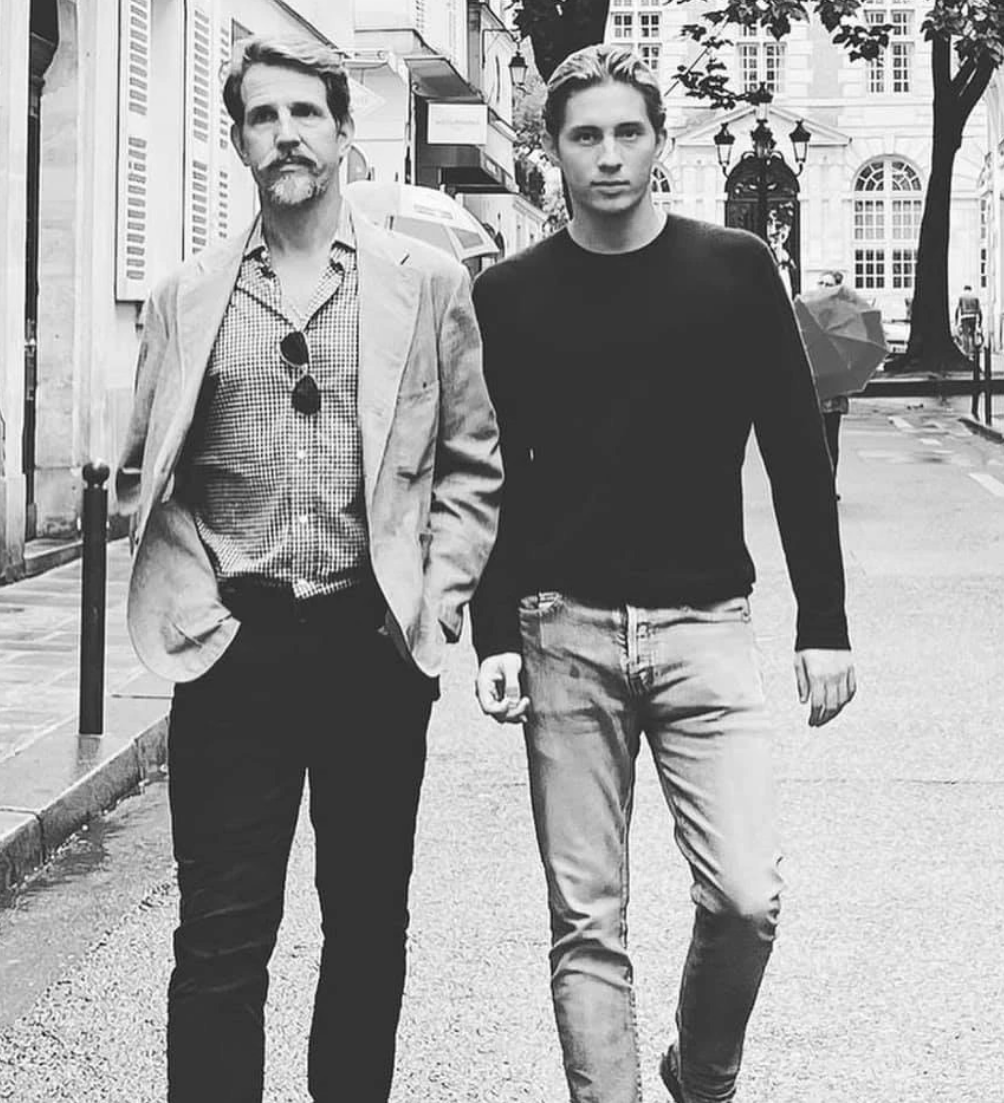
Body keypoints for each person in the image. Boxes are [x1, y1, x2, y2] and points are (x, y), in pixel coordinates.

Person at [116, 37, 502, 1103]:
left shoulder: (426, 285)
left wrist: (437, 598)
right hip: (234, 648)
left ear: (342, 130)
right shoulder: (186, 294)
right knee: (219, 936)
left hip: (369, 642)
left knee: (368, 924)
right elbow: (146, 468)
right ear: (239, 139)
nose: (285, 134)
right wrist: (191, 596)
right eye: (261, 116)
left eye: (304, 113)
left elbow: (472, 460)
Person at [470, 45, 856, 1103]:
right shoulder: (509, 294)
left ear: (656, 144)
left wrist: (822, 620)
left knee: (743, 896)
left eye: (626, 133)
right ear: (553, 153)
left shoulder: (732, 268)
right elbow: (493, 475)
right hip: (562, 628)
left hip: (703, 622)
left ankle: (702, 1074)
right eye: (584, 136)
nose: (607, 156)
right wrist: (493, 632)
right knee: (586, 920)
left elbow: (794, 449)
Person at [816, 270, 850, 491]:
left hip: (834, 389)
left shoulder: (842, 318)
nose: (822, 287)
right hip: (814, 388)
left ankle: (830, 484)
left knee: (831, 440)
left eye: (827, 284)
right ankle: (817, 484)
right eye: (820, 283)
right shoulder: (810, 312)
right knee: (814, 441)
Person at [955, 284, 982, 357]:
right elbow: (979, 310)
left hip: (964, 317)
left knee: (965, 335)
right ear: (970, 289)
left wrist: (956, 321)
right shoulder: (975, 296)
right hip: (973, 317)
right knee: (973, 334)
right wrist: (980, 322)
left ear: (965, 289)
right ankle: (973, 352)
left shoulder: (961, 296)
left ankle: (966, 352)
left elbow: (957, 309)